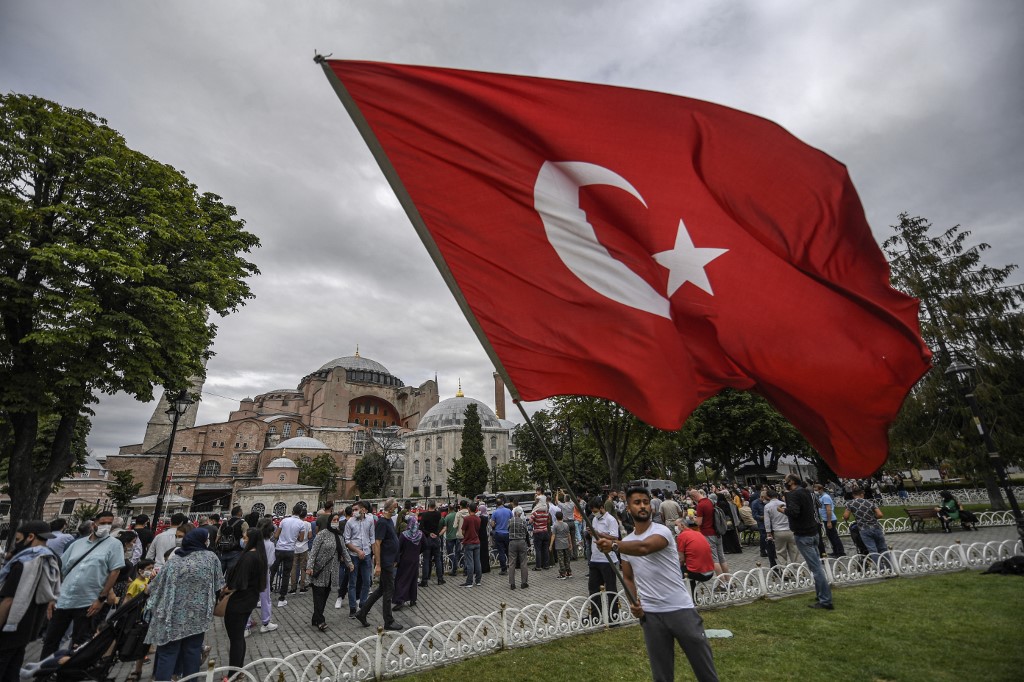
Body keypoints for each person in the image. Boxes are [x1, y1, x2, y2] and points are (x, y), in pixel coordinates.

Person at [596, 488, 719, 682]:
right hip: (651, 615)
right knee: (661, 675)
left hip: (680, 609)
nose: (643, 505)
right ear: (628, 508)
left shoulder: (662, 531)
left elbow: (645, 547)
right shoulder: (627, 542)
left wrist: (613, 545)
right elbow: (627, 577)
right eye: (637, 502)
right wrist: (634, 602)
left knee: (705, 670)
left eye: (645, 502)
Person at [40, 510, 125, 658]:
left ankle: (68, 674)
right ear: (94, 524)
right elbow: (62, 570)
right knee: (51, 640)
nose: (106, 526)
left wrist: (101, 599)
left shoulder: (114, 544)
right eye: (103, 523)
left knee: (79, 643)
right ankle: (43, 674)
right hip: (64, 599)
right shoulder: (77, 544)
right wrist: (52, 597)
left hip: (88, 602)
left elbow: (115, 571)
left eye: (109, 524)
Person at [145, 528, 225, 681]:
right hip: (198, 614)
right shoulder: (210, 558)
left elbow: (153, 587)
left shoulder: (174, 560)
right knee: (192, 651)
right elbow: (218, 585)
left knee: (168, 653)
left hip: (171, 614)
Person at [0, 521, 61, 682]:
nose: (17, 543)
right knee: (12, 671)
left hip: (9, 627)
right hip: (27, 628)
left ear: (31, 537)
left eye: (18, 539)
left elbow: (8, 601)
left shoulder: (24, 564)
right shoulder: (50, 560)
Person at [784, 475, 833, 610]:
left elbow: (794, 512)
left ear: (792, 482)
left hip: (803, 534)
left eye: (786, 481)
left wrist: (783, 509)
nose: (784, 483)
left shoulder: (793, 494)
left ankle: (825, 600)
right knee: (816, 566)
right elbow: (817, 505)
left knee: (816, 568)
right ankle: (820, 595)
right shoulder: (809, 492)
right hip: (813, 531)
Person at [223, 528, 269, 669]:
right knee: (238, 638)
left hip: (239, 600)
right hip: (250, 598)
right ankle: (238, 669)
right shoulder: (260, 555)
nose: (243, 538)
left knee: (236, 638)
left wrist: (225, 590)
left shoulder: (249, 557)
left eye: (245, 536)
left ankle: (234, 672)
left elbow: (238, 582)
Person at [355, 498, 402, 631]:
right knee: (388, 591)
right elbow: (377, 543)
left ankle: (362, 613)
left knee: (381, 589)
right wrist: (378, 564)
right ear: (390, 508)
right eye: (395, 506)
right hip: (385, 562)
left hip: (389, 560)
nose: (396, 508)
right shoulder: (382, 522)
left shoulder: (388, 521)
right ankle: (388, 621)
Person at [307, 514, 352, 632]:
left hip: (332, 571)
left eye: (337, 520)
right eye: (334, 520)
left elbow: (344, 551)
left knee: (325, 595)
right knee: (318, 595)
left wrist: (349, 563)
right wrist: (310, 567)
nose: (336, 522)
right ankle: (320, 620)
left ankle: (315, 617)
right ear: (329, 521)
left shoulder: (339, 536)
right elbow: (313, 552)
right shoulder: (322, 534)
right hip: (320, 569)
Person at [586, 495, 619, 622]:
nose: (594, 514)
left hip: (607, 559)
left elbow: (614, 537)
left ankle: (613, 615)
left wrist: (597, 533)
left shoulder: (610, 520)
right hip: (595, 558)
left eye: (595, 511)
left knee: (610, 588)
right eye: (592, 511)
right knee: (593, 588)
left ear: (601, 508)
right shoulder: (594, 520)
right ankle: (595, 615)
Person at [843, 485, 889, 567]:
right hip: (876, 527)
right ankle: (889, 567)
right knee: (883, 548)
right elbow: (880, 514)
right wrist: (873, 518)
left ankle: (881, 569)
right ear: (862, 494)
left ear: (853, 495)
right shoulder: (870, 502)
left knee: (872, 549)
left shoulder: (850, 504)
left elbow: (846, 516)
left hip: (864, 528)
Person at [271, 504, 307, 607]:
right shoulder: (301, 523)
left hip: (279, 548)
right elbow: (301, 539)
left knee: (272, 572)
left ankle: (265, 595)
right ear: (300, 513)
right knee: (286, 574)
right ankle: (282, 598)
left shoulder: (284, 521)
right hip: (290, 550)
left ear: (292, 510)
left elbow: (276, 535)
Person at [344, 501, 375, 618]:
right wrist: (357, 551)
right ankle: (353, 608)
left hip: (366, 553)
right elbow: (347, 541)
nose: (354, 512)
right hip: (354, 555)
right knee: (353, 582)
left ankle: (363, 605)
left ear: (363, 510)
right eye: (353, 510)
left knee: (366, 581)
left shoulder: (370, 520)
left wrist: (374, 553)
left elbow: (372, 537)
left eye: (356, 509)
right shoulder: (350, 522)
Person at [689, 489, 729, 575]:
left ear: (693, 497)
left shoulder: (700, 505)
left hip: (708, 533)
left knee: (714, 559)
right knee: (722, 558)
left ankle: (721, 583)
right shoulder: (710, 501)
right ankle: (728, 580)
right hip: (717, 531)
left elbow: (699, 522)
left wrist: (693, 518)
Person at [675, 517, 715, 593]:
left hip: (699, 573)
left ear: (682, 525)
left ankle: (687, 596)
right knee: (688, 570)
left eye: (676, 525)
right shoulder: (698, 533)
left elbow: (681, 559)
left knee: (677, 571)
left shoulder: (681, 536)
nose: (676, 527)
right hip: (710, 571)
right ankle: (693, 596)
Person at [392, 514, 422, 608]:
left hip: (404, 560)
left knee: (401, 580)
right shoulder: (420, 534)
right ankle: (413, 599)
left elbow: (398, 547)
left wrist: (396, 559)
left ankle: (400, 600)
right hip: (415, 560)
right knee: (413, 579)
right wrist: (417, 551)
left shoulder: (404, 535)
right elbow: (425, 546)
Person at [763, 488, 793, 567]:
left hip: (778, 531)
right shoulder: (784, 504)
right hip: (789, 529)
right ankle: (798, 571)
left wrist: (768, 532)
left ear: (768, 497)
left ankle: (785, 571)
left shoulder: (767, 506)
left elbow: (767, 521)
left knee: (780, 552)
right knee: (794, 551)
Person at [814, 484, 846, 557]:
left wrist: (829, 521)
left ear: (821, 489)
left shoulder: (825, 497)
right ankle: (835, 551)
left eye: (816, 490)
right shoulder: (821, 497)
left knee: (834, 536)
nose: (816, 491)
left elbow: (829, 510)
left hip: (830, 519)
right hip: (826, 519)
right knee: (831, 536)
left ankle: (840, 552)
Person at [418, 500, 445, 586]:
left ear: (428, 506)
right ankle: (440, 579)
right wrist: (435, 533)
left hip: (428, 538)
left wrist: (429, 533)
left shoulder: (425, 515)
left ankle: (425, 580)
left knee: (426, 559)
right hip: (436, 537)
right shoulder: (438, 514)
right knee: (437, 559)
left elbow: (421, 527)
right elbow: (439, 523)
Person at [217, 506, 248, 573]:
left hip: (223, 551)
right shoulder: (243, 523)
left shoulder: (224, 523)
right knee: (231, 576)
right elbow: (246, 538)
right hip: (236, 551)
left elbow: (218, 537)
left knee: (219, 575)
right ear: (239, 513)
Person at [507, 506, 530, 590]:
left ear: (515, 513)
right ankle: (524, 583)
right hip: (522, 542)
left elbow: (508, 529)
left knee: (512, 563)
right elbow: (526, 532)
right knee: (523, 563)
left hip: (512, 542)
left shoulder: (510, 521)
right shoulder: (523, 522)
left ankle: (512, 584)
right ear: (520, 514)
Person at [460, 502, 482, 587]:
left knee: (470, 562)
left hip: (469, 542)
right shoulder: (478, 519)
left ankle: (469, 581)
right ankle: (478, 580)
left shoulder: (467, 519)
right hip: (477, 541)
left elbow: (463, 531)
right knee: (477, 561)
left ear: (469, 509)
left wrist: (465, 535)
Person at [550, 510, 573, 579]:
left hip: (559, 544)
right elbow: (568, 534)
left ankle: (562, 573)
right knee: (567, 558)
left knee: (561, 559)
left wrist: (550, 545)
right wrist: (570, 543)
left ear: (556, 517)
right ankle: (568, 572)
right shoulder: (566, 525)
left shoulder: (555, 525)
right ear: (562, 517)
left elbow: (553, 535)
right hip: (566, 543)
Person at [530, 501, 551, 571]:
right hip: (545, 531)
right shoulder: (546, 512)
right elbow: (548, 521)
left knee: (538, 550)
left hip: (538, 532)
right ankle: (546, 565)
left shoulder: (535, 513)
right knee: (545, 549)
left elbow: (530, 521)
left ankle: (538, 566)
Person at [477, 501, 491, 574]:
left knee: (480, 552)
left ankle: (481, 567)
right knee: (485, 552)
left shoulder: (479, 518)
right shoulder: (486, 517)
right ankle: (486, 567)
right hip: (485, 535)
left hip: (480, 535)